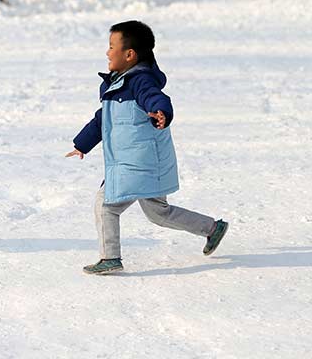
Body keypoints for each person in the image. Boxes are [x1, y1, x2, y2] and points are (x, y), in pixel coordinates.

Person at [66, 21, 228, 275]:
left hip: (137, 163)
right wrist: (82, 143)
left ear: (129, 55)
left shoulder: (140, 82)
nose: (107, 53)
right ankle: (211, 228)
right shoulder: (116, 85)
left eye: (111, 47)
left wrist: (162, 112)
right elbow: (103, 119)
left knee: (106, 204)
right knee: (158, 213)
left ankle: (110, 257)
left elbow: (156, 98)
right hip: (142, 161)